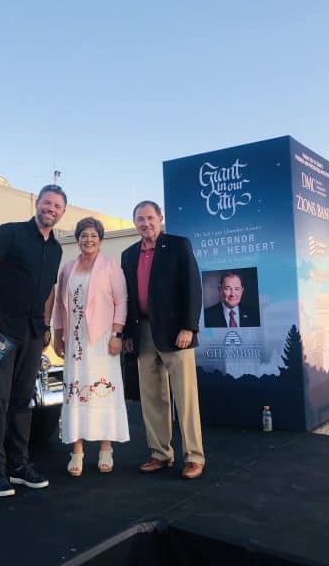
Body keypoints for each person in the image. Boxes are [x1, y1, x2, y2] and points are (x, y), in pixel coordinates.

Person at [0, 184, 67, 497]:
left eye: (57, 206)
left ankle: (19, 464)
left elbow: (50, 291)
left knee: (22, 401)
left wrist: (45, 326)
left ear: (62, 213)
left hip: (32, 333)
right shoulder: (10, 233)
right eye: (47, 203)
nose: (51, 209)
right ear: (37, 203)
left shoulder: (56, 249)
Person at [121, 200, 205, 480]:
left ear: (160, 218)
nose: (145, 223)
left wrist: (188, 327)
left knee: (186, 397)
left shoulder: (179, 245)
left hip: (175, 333)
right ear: (134, 223)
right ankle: (160, 453)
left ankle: (194, 456)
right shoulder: (128, 254)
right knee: (152, 398)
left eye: (150, 218)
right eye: (140, 219)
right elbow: (128, 297)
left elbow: (192, 286)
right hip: (143, 332)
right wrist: (129, 335)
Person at [53, 217, 129, 477]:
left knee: (102, 390)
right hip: (75, 339)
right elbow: (59, 304)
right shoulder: (68, 268)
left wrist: (117, 333)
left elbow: (122, 301)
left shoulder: (110, 267)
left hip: (102, 338)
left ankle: (106, 449)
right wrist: (58, 332)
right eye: (84, 235)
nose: (88, 240)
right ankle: (77, 451)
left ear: (100, 239)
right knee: (75, 390)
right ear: (77, 238)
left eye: (93, 235)